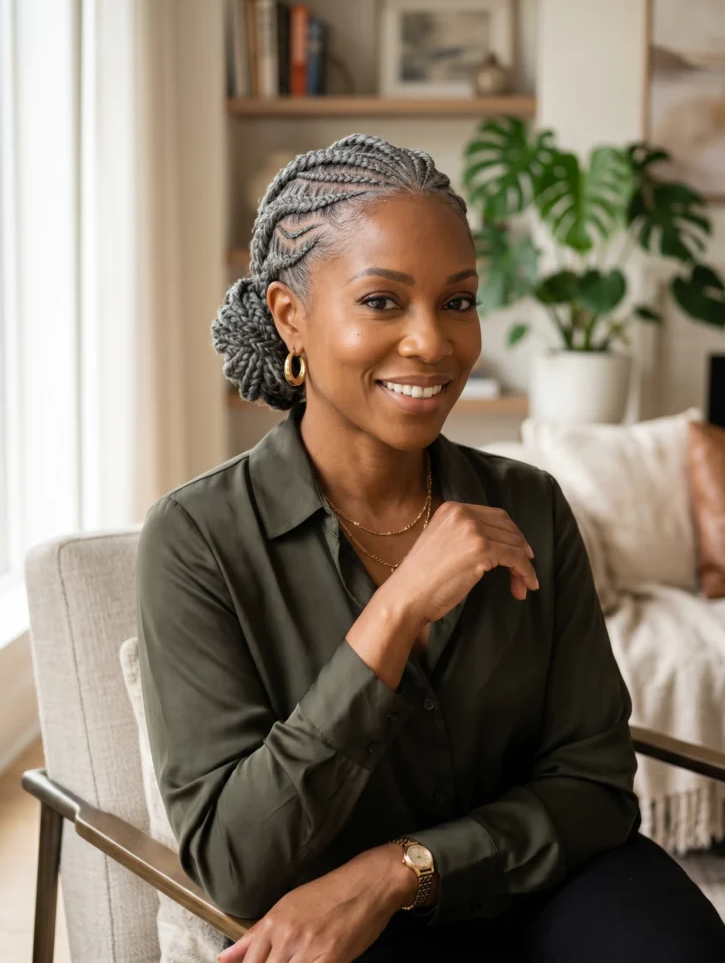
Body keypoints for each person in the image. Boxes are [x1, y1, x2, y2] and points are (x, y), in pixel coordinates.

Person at [136, 133, 725, 962]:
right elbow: (236, 861)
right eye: (382, 301)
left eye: (457, 301)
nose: (433, 344)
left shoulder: (529, 504)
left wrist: (398, 870)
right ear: (289, 317)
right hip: (351, 935)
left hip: (541, 879)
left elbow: (593, 788)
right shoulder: (197, 542)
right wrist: (397, 609)